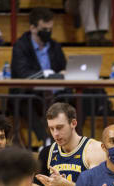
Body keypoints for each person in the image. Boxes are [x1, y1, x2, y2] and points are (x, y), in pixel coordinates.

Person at [11, 8, 67, 142]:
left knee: (78, 98)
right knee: (27, 101)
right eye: (44, 29)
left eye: (50, 29)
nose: (48, 32)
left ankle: (70, 140)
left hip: (55, 93)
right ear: (33, 28)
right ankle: (45, 140)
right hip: (30, 92)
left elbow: (63, 68)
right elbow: (22, 72)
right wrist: (44, 75)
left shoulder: (55, 46)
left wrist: (64, 73)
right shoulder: (21, 46)